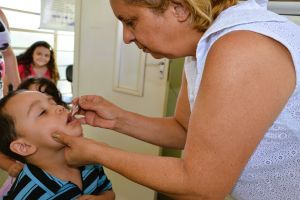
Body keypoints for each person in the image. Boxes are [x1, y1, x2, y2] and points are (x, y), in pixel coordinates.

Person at [52, 0, 300, 199]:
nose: (126, 37)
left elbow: (200, 186)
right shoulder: (201, 50)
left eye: (131, 21)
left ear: (178, 8)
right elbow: (184, 129)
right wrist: (118, 119)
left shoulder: (242, 48)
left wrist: (97, 152)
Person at [0, 90, 115, 199]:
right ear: (24, 146)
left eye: (53, 103)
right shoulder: (26, 194)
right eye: (42, 112)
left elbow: (108, 191)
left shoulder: (88, 159)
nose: (60, 107)